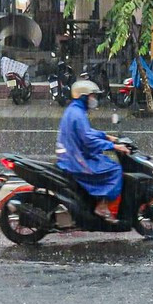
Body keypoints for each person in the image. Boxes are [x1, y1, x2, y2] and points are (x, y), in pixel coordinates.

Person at [56, 80, 128, 222]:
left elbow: (86, 132)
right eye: (92, 96)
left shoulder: (74, 110)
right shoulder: (77, 114)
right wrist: (113, 146)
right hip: (76, 160)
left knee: (105, 161)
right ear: (84, 97)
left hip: (71, 155)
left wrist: (106, 136)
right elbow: (88, 140)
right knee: (114, 168)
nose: (94, 99)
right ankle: (102, 205)